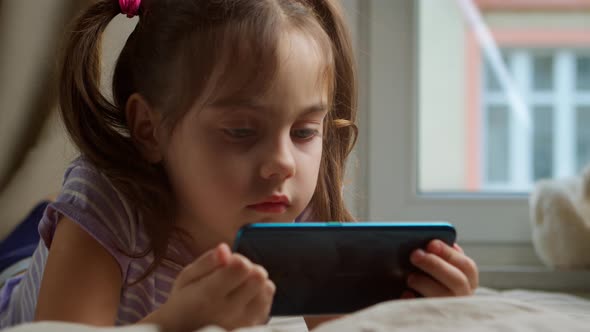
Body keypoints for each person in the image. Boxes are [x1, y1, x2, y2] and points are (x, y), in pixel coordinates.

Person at [0, 0, 479, 331]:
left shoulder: (287, 209)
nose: (281, 164)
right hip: (18, 285)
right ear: (149, 129)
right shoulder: (106, 199)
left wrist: (417, 314)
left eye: (304, 133)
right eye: (241, 132)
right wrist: (176, 324)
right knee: (27, 243)